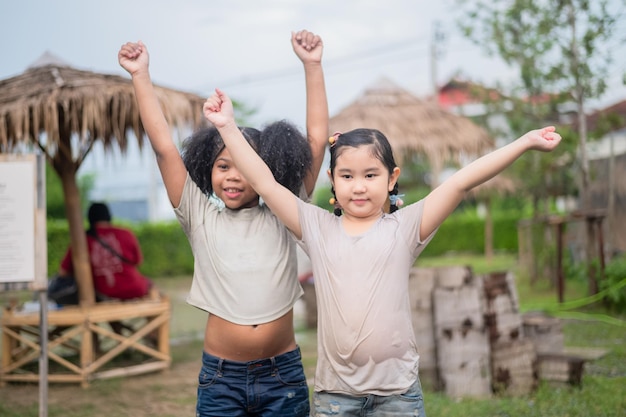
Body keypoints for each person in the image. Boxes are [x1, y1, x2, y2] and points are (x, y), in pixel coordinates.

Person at [203, 88, 562, 416]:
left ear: (392, 179)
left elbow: (461, 181)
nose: (358, 186)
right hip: (336, 396)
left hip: (398, 394)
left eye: (370, 175)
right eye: (346, 176)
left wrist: (524, 142)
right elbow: (264, 181)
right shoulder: (315, 228)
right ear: (332, 179)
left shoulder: (405, 228)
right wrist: (228, 127)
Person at [118, 29, 328, 417]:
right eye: (222, 165)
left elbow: (316, 144)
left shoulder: (286, 212)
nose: (232, 176)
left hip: (282, 377)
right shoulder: (198, 214)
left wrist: (312, 66)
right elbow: (165, 149)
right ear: (207, 170)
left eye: (243, 166)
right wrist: (140, 76)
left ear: (264, 170)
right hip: (221, 379)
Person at [58, 202, 153, 302]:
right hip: (135, 289)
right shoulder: (125, 233)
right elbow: (138, 261)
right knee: (151, 286)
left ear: (89, 218)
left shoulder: (82, 240)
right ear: (109, 216)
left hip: (103, 294)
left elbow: (63, 272)